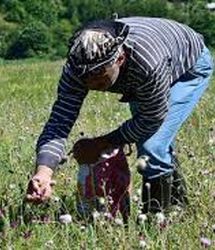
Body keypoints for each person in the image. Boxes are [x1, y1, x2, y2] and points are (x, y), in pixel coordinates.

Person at [26, 17, 214, 213]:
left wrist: (103, 143)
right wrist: (43, 172)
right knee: (156, 144)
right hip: (144, 70)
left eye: (99, 76)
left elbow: (151, 118)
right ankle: (177, 206)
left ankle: (156, 223)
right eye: (85, 78)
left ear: (120, 59)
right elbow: (59, 122)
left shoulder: (147, 64)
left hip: (188, 66)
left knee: (152, 145)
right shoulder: (77, 68)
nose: (91, 83)